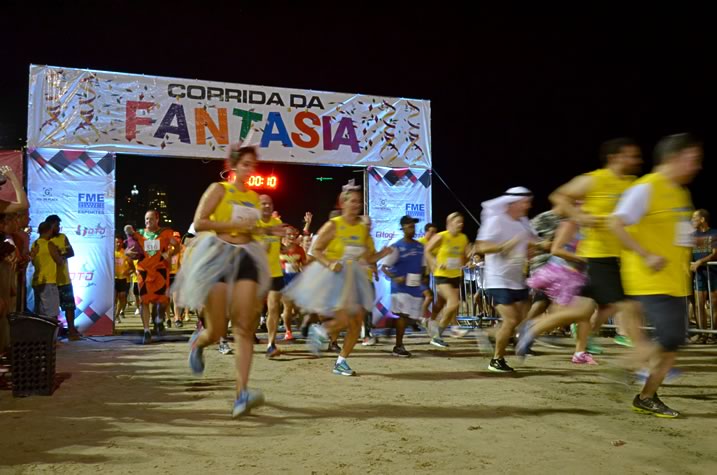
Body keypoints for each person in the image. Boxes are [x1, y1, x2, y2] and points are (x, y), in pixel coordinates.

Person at [174, 144, 281, 418]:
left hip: (246, 257)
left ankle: (241, 394)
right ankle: (199, 342)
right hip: (217, 255)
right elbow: (199, 223)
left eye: (252, 164)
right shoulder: (218, 190)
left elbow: (253, 229)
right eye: (244, 164)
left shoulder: (256, 199)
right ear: (233, 166)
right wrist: (232, 226)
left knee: (244, 327)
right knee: (218, 328)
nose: (249, 169)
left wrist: (268, 229)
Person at [608, 133, 703, 418]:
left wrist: (691, 244)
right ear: (674, 158)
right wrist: (646, 254)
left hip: (674, 281)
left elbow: (675, 233)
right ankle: (624, 366)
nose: (697, 166)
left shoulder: (680, 193)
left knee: (674, 343)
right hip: (648, 279)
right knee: (671, 338)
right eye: (693, 159)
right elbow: (616, 223)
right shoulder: (645, 188)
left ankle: (646, 396)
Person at [284, 183, 391, 376]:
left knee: (357, 322)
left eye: (359, 201)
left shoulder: (362, 228)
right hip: (333, 275)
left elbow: (367, 258)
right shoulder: (333, 225)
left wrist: (384, 253)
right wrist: (330, 263)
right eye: (352, 201)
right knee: (344, 318)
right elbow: (314, 250)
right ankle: (322, 331)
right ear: (343, 202)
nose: (356, 204)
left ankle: (341, 361)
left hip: (355, 275)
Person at [550, 138, 644, 348]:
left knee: (593, 309)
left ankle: (543, 331)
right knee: (626, 306)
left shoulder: (632, 184)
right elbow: (559, 196)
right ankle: (645, 360)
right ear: (614, 158)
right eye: (630, 155)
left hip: (623, 256)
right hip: (598, 256)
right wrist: (579, 216)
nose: (636, 160)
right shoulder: (593, 180)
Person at [518, 218, 597, 364]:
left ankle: (580, 352)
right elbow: (556, 249)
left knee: (584, 313)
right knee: (570, 312)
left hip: (578, 276)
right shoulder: (570, 223)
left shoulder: (588, 226)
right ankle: (528, 329)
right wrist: (583, 259)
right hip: (564, 276)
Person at [475, 187, 537, 373]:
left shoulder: (524, 222)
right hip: (497, 278)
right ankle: (496, 360)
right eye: (525, 201)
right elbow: (481, 246)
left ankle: (488, 334)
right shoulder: (496, 220)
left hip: (517, 278)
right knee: (511, 321)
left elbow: (533, 243)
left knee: (521, 318)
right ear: (513, 203)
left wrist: (536, 248)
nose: (529, 205)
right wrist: (504, 247)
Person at [381, 216, 432, 357]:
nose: (412, 229)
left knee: (411, 318)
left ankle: (392, 326)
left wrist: (424, 279)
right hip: (400, 289)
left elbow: (423, 266)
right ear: (403, 228)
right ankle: (398, 346)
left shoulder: (420, 247)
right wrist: (395, 277)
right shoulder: (397, 247)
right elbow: (384, 267)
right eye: (409, 226)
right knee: (403, 315)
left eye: (413, 226)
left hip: (415, 288)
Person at [126, 211, 179, 344]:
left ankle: (159, 320)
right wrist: (128, 252)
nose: (147, 221)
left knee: (162, 301)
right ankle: (146, 331)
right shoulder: (139, 234)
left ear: (157, 219)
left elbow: (176, 246)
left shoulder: (166, 233)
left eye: (150, 219)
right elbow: (129, 248)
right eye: (146, 219)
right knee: (144, 301)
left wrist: (170, 252)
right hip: (143, 271)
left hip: (160, 270)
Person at [425, 212, 471, 348]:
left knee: (442, 305)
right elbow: (427, 250)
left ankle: (434, 324)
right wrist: (435, 262)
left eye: (462, 222)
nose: (460, 224)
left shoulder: (463, 238)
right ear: (449, 223)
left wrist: (467, 260)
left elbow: (464, 255)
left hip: (456, 275)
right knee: (454, 303)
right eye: (457, 222)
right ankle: (437, 334)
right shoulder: (441, 236)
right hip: (442, 275)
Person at [257, 195, 286, 358]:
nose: (267, 206)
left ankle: (271, 343)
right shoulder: (253, 223)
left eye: (270, 203)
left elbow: (280, 242)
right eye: (263, 203)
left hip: (275, 272)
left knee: (274, 307)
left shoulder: (276, 223)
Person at [45, 215, 79, 340]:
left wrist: (60, 253)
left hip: (64, 279)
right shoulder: (44, 240)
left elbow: (71, 252)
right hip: (51, 281)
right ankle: (52, 336)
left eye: (59, 225)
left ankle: (72, 331)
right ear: (50, 225)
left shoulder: (63, 237)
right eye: (56, 225)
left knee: (69, 307)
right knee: (51, 310)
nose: (58, 228)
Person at [690, 209, 717, 343]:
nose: (692, 220)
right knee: (699, 304)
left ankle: (713, 334)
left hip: (713, 272)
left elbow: (715, 254)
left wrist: (700, 261)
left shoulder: (714, 233)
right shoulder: (692, 236)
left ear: (702, 219)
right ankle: (702, 334)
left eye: (694, 218)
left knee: (714, 304)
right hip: (699, 274)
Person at [30, 221, 63, 320]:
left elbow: (33, 261)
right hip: (49, 281)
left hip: (37, 281)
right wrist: (60, 253)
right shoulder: (49, 244)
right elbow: (59, 261)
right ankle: (50, 335)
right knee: (52, 312)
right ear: (50, 231)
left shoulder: (35, 244)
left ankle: (41, 334)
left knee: (40, 313)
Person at [280, 226, 307, 342]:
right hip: (284, 279)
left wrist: (300, 267)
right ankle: (288, 331)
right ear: (284, 235)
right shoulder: (279, 249)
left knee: (296, 308)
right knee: (287, 307)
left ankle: (292, 319)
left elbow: (305, 265)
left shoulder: (299, 249)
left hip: (297, 279)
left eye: (294, 235)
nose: (291, 237)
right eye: (289, 234)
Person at [114, 237, 135, 324]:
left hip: (123, 279)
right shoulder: (110, 252)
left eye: (120, 242)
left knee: (122, 298)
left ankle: (117, 315)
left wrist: (128, 272)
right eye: (117, 242)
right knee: (113, 298)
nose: (118, 244)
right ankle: (112, 315)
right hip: (113, 279)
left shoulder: (125, 253)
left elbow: (132, 268)